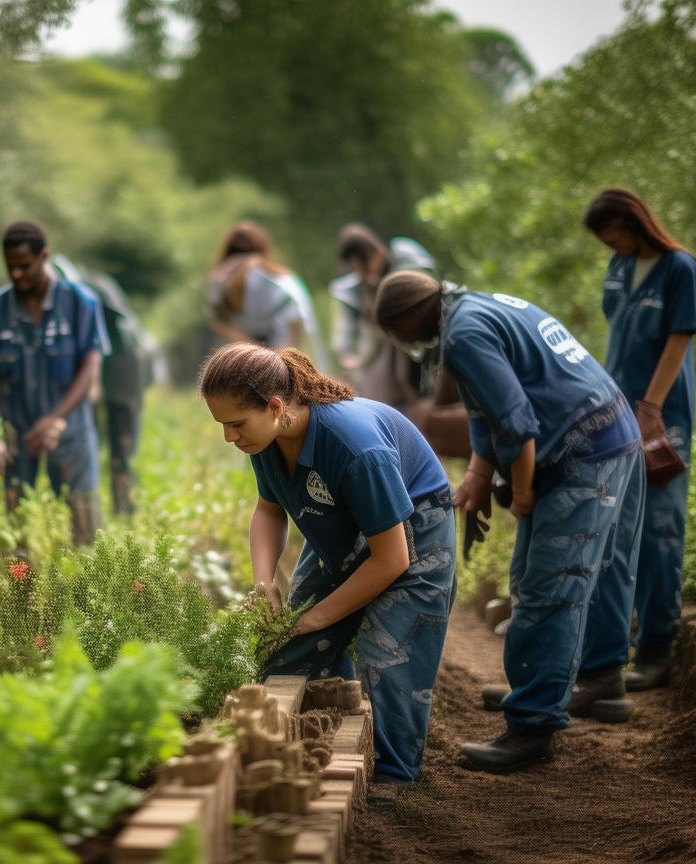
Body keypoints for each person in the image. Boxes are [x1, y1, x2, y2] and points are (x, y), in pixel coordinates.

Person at [375, 270, 646, 773]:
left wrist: (522, 493)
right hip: (609, 432)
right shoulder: (476, 308)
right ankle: (594, 679)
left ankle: (532, 725)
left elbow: (517, 422)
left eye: (399, 336)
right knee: (575, 570)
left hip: (583, 452)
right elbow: (486, 409)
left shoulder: (464, 334)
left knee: (550, 584)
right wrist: (479, 475)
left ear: (407, 323)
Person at [199, 342, 456, 792]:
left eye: (236, 424)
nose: (230, 437)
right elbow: (269, 510)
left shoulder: (355, 447)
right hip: (345, 525)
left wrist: (319, 615)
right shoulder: (267, 438)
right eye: (223, 426)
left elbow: (393, 558)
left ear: (276, 406)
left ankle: (393, 776)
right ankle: (332, 716)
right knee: (289, 648)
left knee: (387, 652)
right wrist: (265, 584)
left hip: (411, 529)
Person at [584, 189, 696, 691]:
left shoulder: (680, 268)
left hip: (662, 415)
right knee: (617, 526)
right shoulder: (619, 264)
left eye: (611, 232)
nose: (608, 242)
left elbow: (679, 340)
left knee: (659, 528)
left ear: (632, 223)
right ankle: (619, 644)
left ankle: (657, 649)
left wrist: (651, 407)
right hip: (616, 409)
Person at [0, 221, 109, 545]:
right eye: (10, 267)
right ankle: (23, 590)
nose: (16, 274)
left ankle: (84, 588)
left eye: (24, 266)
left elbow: (90, 367)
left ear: (44, 256)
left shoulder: (80, 303)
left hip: (71, 432)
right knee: (17, 528)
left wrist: (55, 417)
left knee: (84, 526)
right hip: (18, 435)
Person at [51, 254, 153, 515]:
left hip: (124, 368)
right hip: (93, 369)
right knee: (88, 443)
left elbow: (114, 331)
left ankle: (124, 510)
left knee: (122, 448)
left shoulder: (97, 289)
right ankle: (82, 508)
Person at [330, 224, 436, 407]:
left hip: (415, 336)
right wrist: (346, 354)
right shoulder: (358, 286)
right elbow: (348, 325)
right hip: (382, 344)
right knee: (374, 384)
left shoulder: (402, 258)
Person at [207, 222, 329, 371]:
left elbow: (219, 321)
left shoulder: (221, 276)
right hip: (283, 349)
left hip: (272, 349)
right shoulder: (284, 279)